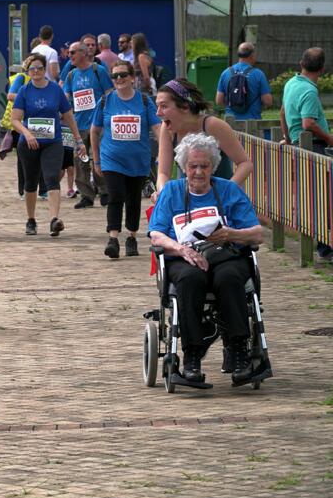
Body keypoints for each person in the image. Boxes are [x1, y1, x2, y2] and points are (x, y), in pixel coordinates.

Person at [148, 133, 264, 386]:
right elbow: (156, 233)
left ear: (212, 166)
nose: (198, 172)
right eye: (193, 166)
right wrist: (182, 249)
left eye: (204, 166)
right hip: (183, 257)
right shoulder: (172, 191)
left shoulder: (229, 190)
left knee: (229, 278)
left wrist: (230, 234)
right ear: (183, 167)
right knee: (190, 280)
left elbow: (258, 234)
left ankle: (238, 350)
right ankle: (191, 356)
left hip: (225, 254)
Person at [91, 61, 162, 259]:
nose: (119, 79)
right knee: (115, 195)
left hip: (138, 161)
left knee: (133, 199)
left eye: (123, 75)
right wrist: (96, 160)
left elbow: (158, 128)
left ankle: (131, 236)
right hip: (111, 159)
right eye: (115, 76)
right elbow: (94, 131)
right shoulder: (105, 101)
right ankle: (113, 239)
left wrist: (166, 152)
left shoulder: (145, 102)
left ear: (132, 78)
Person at [11, 54, 86, 237]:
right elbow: (15, 120)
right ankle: (31, 219)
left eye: (39, 68)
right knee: (31, 182)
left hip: (53, 142)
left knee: (52, 177)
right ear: (28, 71)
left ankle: (54, 220)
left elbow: (68, 116)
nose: (36, 71)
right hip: (29, 143)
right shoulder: (24, 91)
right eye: (32, 69)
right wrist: (27, 133)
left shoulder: (55, 90)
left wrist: (78, 140)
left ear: (45, 70)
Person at [154, 79, 252, 199]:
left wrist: (226, 191)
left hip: (221, 197)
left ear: (185, 107)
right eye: (157, 106)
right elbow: (163, 173)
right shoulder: (167, 127)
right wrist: (164, 193)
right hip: (190, 198)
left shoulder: (213, 125)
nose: (157, 113)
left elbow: (245, 164)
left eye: (163, 106)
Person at [280, 47, 333, 262]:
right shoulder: (310, 91)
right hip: (314, 147)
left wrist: (288, 137)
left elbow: (283, 112)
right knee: (324, 197)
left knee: (313, 195)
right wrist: (330, 139)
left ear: (301, 63)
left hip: (300, 146)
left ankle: (320, 244)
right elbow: (308, 123)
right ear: (321, 69)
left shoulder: (291, 83)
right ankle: (326, 248)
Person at [63, 41, 113, 208]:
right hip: (78, 125)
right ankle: (86, 195)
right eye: (69, 53)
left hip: (97, 125)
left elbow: (109, 94)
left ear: (83, 53)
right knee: (80, 160)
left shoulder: (99, 71)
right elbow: (67, 97)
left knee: (97, 158)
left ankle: (104, 191)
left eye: (72, 52)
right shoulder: (71, 75)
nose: (69, 56)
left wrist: (106, 117)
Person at [6, 55, 49, 201]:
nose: (36, 69)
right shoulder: (21, 78)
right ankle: (24, 189)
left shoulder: (47, 82)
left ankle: (44, 190)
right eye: (32, 66)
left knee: (44, 155)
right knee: (24, 159)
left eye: (39, 67)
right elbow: (10, 95)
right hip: (23, 123)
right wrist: (30, 97)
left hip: (43, 123)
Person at [215, 42, 273, 120]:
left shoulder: (226, 73)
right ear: (252, 55)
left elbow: (219, 101)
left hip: (231, 123)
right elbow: (268, 101)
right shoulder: (258, 74)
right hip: (252, 122)